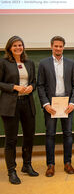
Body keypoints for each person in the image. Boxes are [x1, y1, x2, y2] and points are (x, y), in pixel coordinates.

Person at [37, 36, 74, 177]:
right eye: (56, 46)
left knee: (68, 134)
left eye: (61, 46)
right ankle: (51, 165)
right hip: (51, 105)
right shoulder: (43, 63)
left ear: (63, 47)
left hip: (67, 104)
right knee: (50, 135)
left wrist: (72, 103)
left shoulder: (70, 63)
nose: (58, 48)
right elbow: (40, 85)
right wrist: (46, 104)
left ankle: (68, 163)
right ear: (51, 46)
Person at [0, 36, 39, 184]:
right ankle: (11, 171)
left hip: (27, 103)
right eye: (15, 45)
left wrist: (31, 87)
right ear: (10, 47)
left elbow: (34, 82)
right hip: (10, 105)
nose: (18, 48)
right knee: (11, 140)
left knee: (29, 136)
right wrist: (14, 87)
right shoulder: (3, 63)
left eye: (20, 45)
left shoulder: (29, 63)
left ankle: (27, 165)